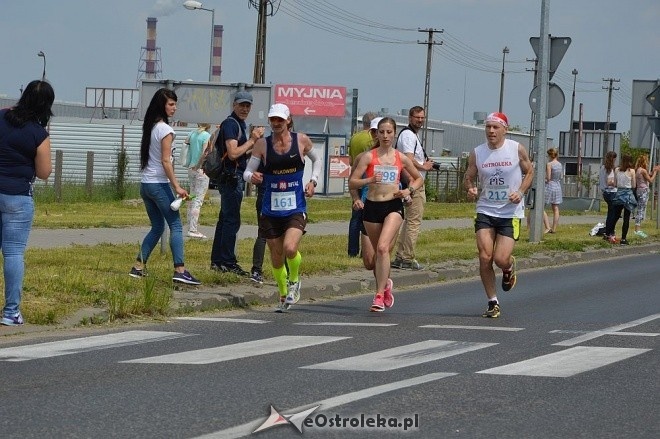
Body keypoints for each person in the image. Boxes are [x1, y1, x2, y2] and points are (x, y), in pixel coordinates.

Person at [243, 104, 322, 312]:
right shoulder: (262, 144)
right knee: (276, 255)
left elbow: (317, 159)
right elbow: (246, 172)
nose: (276, 123)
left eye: (280, 119)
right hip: (270, 207)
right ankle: (283, 293)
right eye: (273, 119)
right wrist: (253, 176)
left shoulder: (301, 140)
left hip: (295, 205)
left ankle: (294, 281)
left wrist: (313, 181)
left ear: (288, 120)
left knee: (289, 248)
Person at [349, 117, 423, 312]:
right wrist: (370, 179)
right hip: (372, 207)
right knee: (375, 258)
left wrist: (408, 191)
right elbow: (352, 182)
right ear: (377, 134)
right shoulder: (368, 157)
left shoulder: (400, 157)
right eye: (381, 132)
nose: (385, 136)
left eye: (389, 132)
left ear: (394, 134)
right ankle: (385, 285)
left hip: (393, 206)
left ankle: (379, 295)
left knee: (383, 248)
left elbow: (418, 179)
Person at [463, 112, 534, 318]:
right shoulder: (477, 152)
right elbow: (468, 177)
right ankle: (492, 302)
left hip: (509, 211)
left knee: (500, 259)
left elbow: (529, 172)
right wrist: (470, 188)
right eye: (488, 127)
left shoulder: (516, 149)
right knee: (485, 257)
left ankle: (508, 266)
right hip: (485, 208)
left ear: (505, 129)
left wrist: (520, 192)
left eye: (495, 127)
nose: (491, 131)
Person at [129, 88, 201, 285]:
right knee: (176, 225)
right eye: (171, 104)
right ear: (162, 105)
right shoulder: (166, 130)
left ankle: (138, 267)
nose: (174, 108)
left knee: (158, 226)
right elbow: (165, 161)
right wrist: (177, 186)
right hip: (158, 185)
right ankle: (180, 270)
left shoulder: (151, 127)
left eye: (175, 104)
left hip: (146, 185)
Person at [0, 80, 54, 326]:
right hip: (18, 197)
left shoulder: (1, 116)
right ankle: (11, 312)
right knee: (12, 253)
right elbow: (44, 172)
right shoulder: (39, 134)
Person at [210, 91, 265, 276]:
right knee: (232, 221)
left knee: (225, 220)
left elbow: (239, 155)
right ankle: (227, 261)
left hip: (233, 176)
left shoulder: (238, 124)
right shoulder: (231, 124)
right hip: (231, 178)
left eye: (248, 106)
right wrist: (253, 140)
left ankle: (218, 261)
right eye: (241, 105)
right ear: (234, 105)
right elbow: (233, 153)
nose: (244, 109)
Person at [249, 116, 295, 284]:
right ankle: (257, 270)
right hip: (267, 194)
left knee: (288, 237)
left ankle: (289, 275)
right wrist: (253, 176)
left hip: (289, 197)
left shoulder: (295, 144)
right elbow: (250, 171)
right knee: (265, 233)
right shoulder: (265, 145)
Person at [391, 106, 435, 270]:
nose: (420, 120)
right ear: (410, 118)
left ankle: (401, 256)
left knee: (409, 221)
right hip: (413, 184)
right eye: (417, 117)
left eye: (422, 118)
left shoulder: (410, 135)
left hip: (411, 183)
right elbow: (408, 161)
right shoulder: (409, 135)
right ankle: (407, 257)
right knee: (414, 222)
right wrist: (423, 167)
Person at [347, 111, 377, 257]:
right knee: (367, 216)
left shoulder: (354, 138)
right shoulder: (370, 139)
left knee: (355, 217)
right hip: (368, 175)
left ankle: (352, 251)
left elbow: (351, 160)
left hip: (356, 173)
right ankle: (367, 250)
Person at [183, 123, 212, 239]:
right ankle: (193, 229)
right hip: (201, 170)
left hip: (190, 168)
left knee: (192, 197)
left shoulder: (192, 133)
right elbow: (205, 153)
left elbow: (185, 145)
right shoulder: (206, 136)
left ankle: (189, 225)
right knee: (198, 200)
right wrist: (199, 165)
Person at [610, 154, 637, 246]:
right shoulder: (632, 171)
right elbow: (633, 185)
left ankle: (611, 235)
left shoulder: (617, 170)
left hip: (619, 194)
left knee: (615, 216)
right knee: (626, 218)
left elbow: (615, 184)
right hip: (628, 195)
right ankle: (623, 239)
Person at [633, 155, 659, 238]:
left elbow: (647, 176)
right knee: (641, 210)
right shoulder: (643, 170)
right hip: (643, 191)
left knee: (640, 209)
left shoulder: (638, 170)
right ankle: (637, 230)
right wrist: (655, 172)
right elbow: (650, 180)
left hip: (639, 190)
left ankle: (638, 229)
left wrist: (653, 171)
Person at [542, 148, 563, 234]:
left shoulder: (549, 164)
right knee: (556, 208)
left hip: (550, 186)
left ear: (550, 155)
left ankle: (547, 226)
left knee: (541, 207)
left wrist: (544, 179)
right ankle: (554, 228)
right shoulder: (559, 164)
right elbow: (561, 176)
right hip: (557, 185)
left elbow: (548, 178)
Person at [599, 151, 618, 242]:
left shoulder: (603, 167)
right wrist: (618, 183)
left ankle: (608, 232)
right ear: (613, 159)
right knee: (613, 214)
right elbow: (610, 182)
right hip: (611, 191)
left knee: (610, 213)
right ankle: (610, 232)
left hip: (605, 192)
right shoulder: (610, 169)